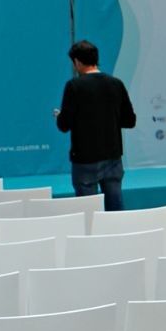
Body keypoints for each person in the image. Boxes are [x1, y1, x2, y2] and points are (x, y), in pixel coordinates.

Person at [53, 39, 136, 210]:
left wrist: (60, 117)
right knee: (115, 211)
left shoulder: (74, 86)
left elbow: (64, 125)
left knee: (88, 213)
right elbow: (130, 121)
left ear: (77, 62)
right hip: (113, 157)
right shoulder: (116, 84)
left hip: (85, 159)